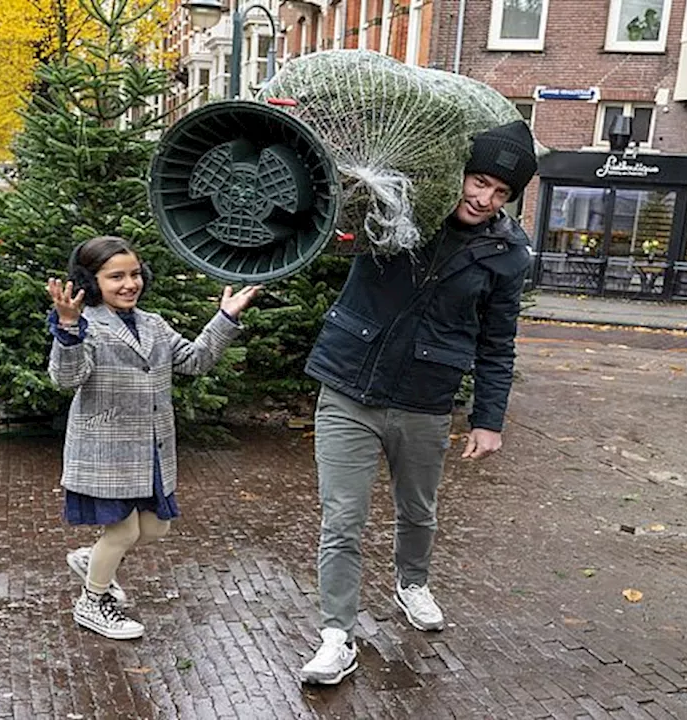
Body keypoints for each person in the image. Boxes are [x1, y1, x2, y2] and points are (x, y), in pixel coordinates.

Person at [298, 121, 538, 684]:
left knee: (418, 511)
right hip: (348, 387)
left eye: (501, 193)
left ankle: (412, 583)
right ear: (458, 174)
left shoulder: (507, 255)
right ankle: (337, 635)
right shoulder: (397, 210)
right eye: (478, 181)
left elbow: (497, 342)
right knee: (343, 519)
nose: (484, 199)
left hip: (425, 399)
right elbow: (337, 203)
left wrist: (488, 420)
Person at [46, 235, 259, 640]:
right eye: (115, 277)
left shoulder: (153, 325)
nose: (129, 284)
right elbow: (66, 378)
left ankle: (94, 560)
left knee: (156, 529)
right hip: (105, 451)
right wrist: (68, 328)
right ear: (91, 282)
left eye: (134, 274)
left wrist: (225, 318)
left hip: (152, 449)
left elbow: (195, 361)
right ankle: (93, 602)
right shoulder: (84, 324)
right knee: (123, 532)